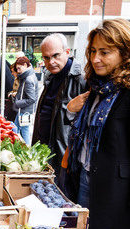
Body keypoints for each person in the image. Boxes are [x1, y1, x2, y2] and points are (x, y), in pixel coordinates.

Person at [64, 18, 130, 229]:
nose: (95, 58)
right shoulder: (97, 87)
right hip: (84, 179)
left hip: (113, 193)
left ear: (126, 52)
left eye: (105, 52)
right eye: (93, 51)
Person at [31, 33, 87, 180]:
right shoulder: (50, 77)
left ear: (67, 52)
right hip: (44, 151)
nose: (51, 61)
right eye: (46, 57)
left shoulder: (80, 79)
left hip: (63, 155)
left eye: (56, 55)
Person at [10, 56, 39, 145]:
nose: (18, 71)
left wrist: (17, 102)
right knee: (17, 130)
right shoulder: (28, 76)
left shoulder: (28, 79)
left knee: (21, 131)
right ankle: (24, 150)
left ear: (25, 65)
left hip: (24, 110)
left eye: (19, 68)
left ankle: (26, 152)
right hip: (24, 110)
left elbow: (31, 99)